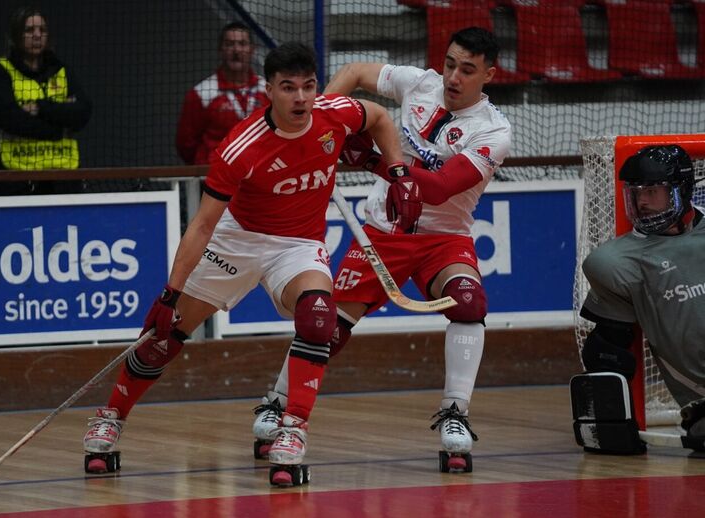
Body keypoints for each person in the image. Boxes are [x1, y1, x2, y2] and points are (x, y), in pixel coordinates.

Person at [83, 42, 402, 486]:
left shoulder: (335, 113)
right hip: (238, 240)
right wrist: (169, 294)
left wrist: (399, 171)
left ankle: (292, 428)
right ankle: (111, 417)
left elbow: (381, 118)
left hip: (297, 245)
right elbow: (202, 226)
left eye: (308, 87)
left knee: (318, 317)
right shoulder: (240, 147)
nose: (301, 98)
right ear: (268, 90)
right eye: (288, 88)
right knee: (163, 337)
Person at [250, 27, 512, 472]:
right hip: (382, 233)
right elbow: (353, 71)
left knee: (469, 302)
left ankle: (455, 414)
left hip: (443, 239)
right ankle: (275, 404)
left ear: (489, 73)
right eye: (450, 64)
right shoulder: (419, 83)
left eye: (467, 70)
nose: (452, 77)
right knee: (327, 329)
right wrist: (321, 125)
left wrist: (374, 158)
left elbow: (440, 188)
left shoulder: (494, 131)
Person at [576, 144, 705, 452]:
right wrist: (612, 424)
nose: (642, 201)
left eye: (653, 191)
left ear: (681, 190)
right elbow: (608, 348)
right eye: (636, 192)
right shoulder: (616, 261)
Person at [0, 6, 92, 196]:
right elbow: (8, 118)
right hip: (12, 183)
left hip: (62, 183)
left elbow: (82, 112)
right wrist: (59, 128)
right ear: (17, 36)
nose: (37, 35)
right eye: (29, 30)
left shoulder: (61, 71)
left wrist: (39, 107)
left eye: (42, 30)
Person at [175, 22, 270, 166]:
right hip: (214, 177)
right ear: (220, 49)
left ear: (252, 50)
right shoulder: (202, 94)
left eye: (242, 44)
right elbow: (186, 144)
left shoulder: (267, 91)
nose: (236, 50)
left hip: (258, 174)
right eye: (229, 44)